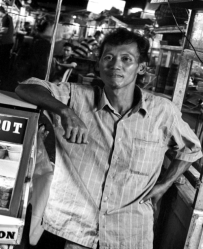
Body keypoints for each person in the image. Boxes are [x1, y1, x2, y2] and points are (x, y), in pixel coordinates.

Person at [15, 28, 202, 249]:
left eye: (126, 59)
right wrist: (65, 112)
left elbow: (191, 149)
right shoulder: (75, 97)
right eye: (109, 57)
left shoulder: (162, 112)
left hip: (130, 234)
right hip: (73, 231)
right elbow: (25, 87)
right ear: (99, 63)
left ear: (141, 68)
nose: (116, 65)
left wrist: (164, 184)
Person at [0, 6, 14, 84]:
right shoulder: (8, 17)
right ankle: (2, 76)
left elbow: (4, 31)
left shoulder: (5, 18)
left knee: (2, 60)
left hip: (6, 42)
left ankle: (0, 77)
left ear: (0, 11)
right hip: (8, 42)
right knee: (4, 60)